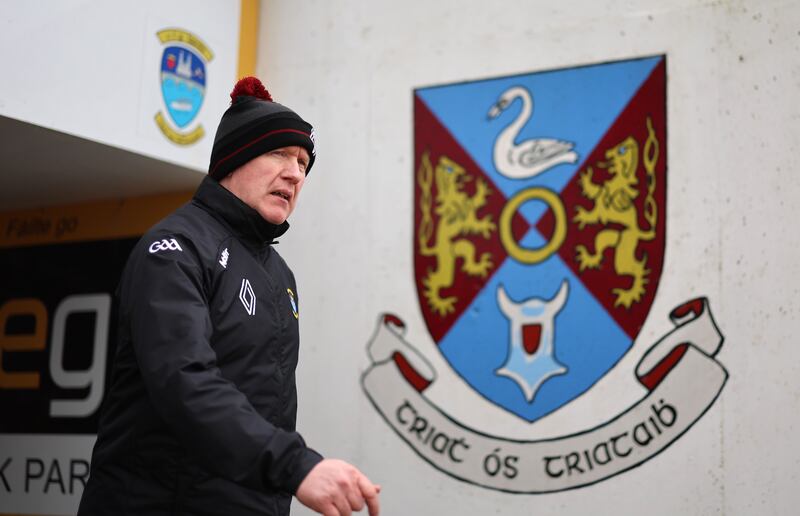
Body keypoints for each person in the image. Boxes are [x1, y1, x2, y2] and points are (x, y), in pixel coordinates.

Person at [78, 77, 380, 516]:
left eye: (303, 162)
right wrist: (297, 467)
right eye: (280, 153)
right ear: (233, 159)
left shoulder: (279, 274)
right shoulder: (175, 248)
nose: (296, 173)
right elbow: (185, 382)